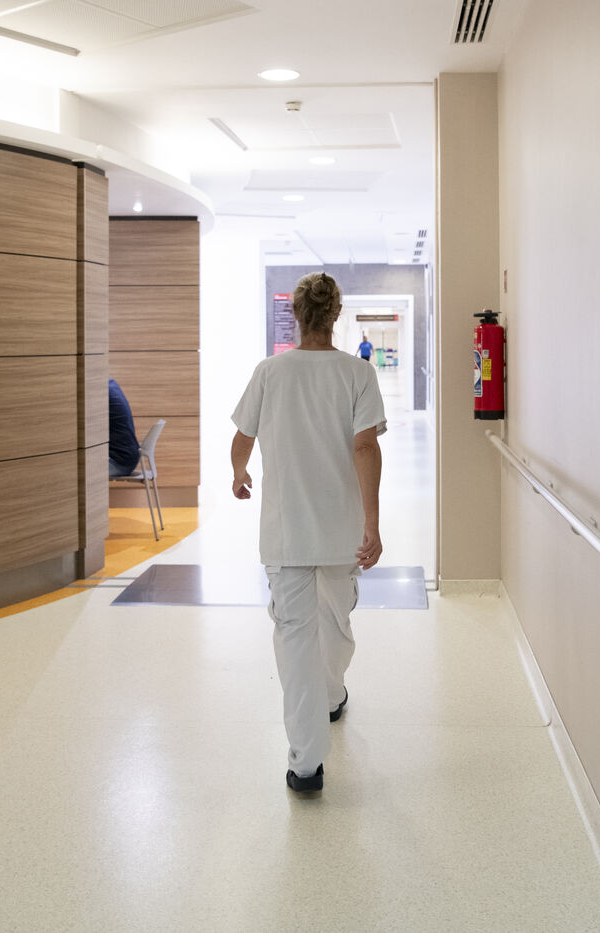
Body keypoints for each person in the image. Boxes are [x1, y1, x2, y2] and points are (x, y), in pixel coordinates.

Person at [230, 272, 386, 794]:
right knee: (336, 620)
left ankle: (305, 764)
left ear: (295, 315)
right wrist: (372, 523)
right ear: (335, 314)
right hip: (342, 531)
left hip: (287, 532)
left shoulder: (270, 372)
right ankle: (333, 695)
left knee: (295, 638)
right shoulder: (357, 373)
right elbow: (365, 447)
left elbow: (243, 436)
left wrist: (239, 473)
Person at [107, 378, 141, 478]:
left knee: (71, 471)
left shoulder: (102, 392)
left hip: (118, 462)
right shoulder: (111, 385)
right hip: (126, 458)